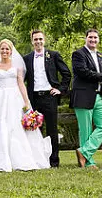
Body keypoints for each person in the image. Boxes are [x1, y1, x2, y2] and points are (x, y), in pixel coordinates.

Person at [0, 39, 51, 172]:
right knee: (0, 127)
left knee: (16, 126)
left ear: (11, 51)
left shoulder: (16, 67)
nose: (5, 51)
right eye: (2, 49)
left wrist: (27, 102)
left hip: (15, 98)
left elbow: (21, 84)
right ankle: (0, 159)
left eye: (7, 49)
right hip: (0, 100)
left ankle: (20, 159)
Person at [70, 29, 102, 170]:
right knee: (85, 131)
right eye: (90, 37)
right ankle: (89, 162)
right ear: (85, 38)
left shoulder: (100, 55)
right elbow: (83, 72)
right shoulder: (78, 54)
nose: (93, 40)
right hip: (83, 95)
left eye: (95, 37)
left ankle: (84, 152)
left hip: (98, 96)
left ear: (98, 40)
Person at [23, 30, 71, 167]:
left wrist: (60, 89)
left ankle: (54, 161)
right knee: (33, 129)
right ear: (32, 41)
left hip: (49, 97)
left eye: (40, 39)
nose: (38, 41)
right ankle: (37, 159)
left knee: (52, 130)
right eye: (35, 39)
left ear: (44, 40)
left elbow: (66, 73)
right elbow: (22, 79)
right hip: (33, 98)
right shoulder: (26, 59)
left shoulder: (53, 55)